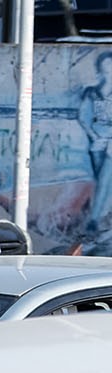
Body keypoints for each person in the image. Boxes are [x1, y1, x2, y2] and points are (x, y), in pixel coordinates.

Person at [82, 53, 112, 241]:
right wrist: (94, 135)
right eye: (106, 65)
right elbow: (82, 116)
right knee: (102, 180)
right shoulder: (92, 92)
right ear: (100, 69)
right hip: (97, 141)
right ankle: (102, 217)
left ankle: (93, 220)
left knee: (104, 179)